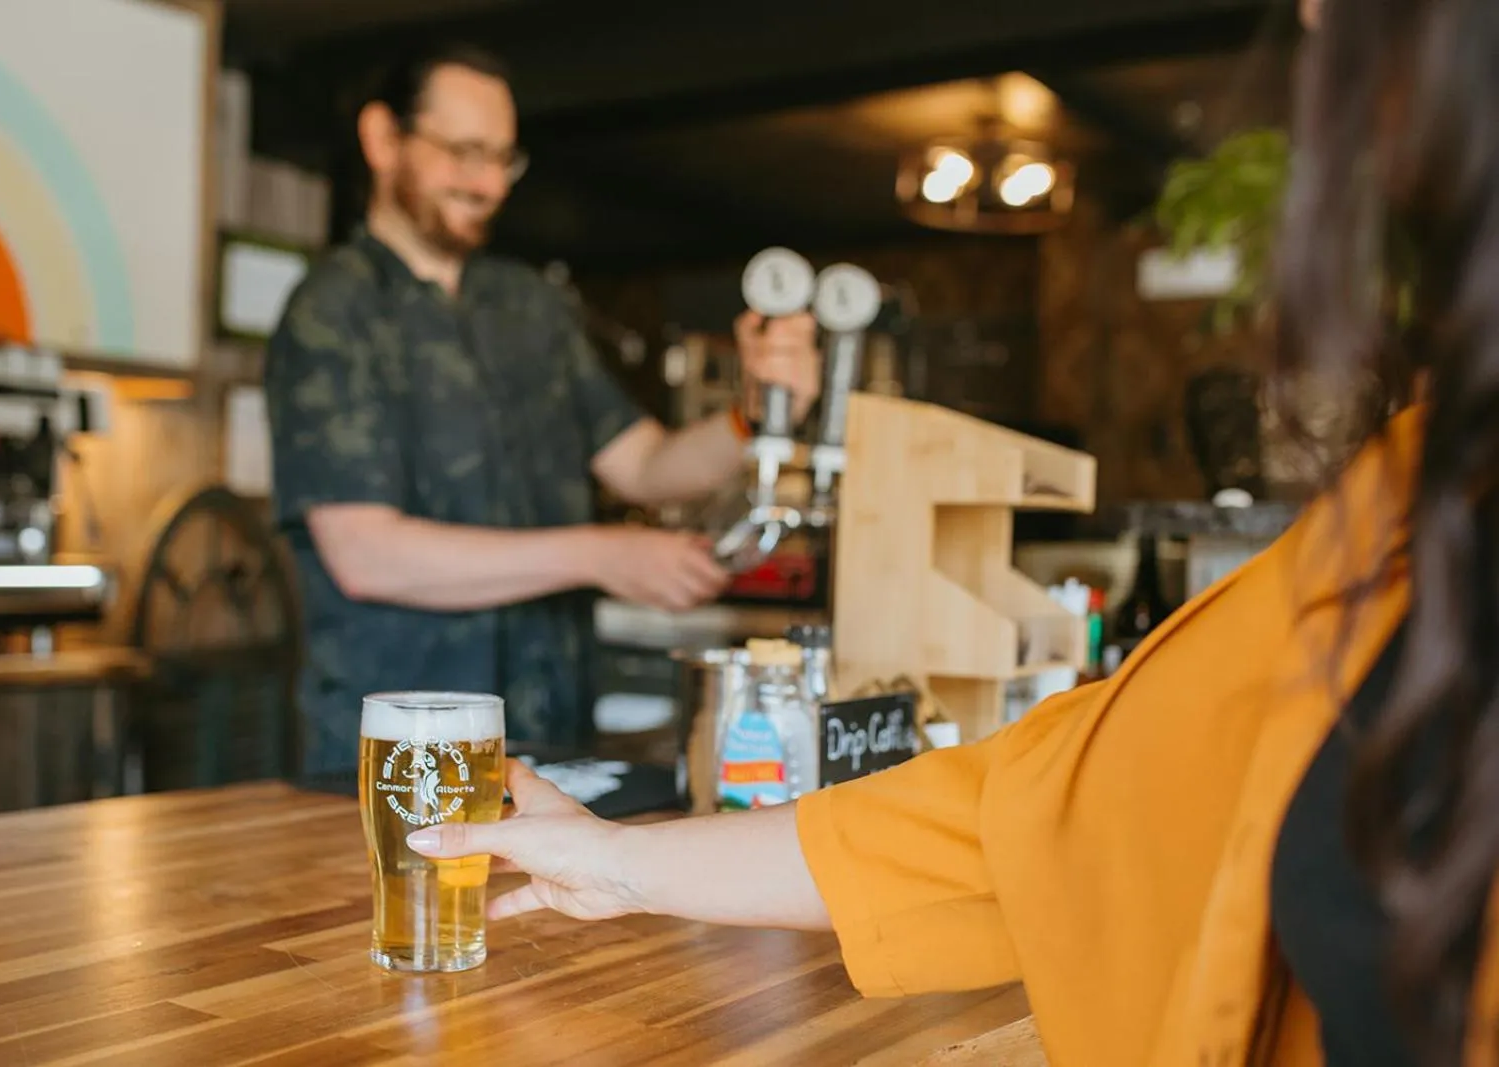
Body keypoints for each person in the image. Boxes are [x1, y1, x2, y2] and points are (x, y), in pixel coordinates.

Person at [402, 0, 1499, 1063]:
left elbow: (643, 463)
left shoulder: (527, 313)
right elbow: (1049, 801)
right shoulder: (1412, 492)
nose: (1311, 18)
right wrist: (620, 863)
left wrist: (743, 421)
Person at [264, 44, 822, 773]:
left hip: (551, 742)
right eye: (463, 152)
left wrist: (756, 410)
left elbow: (646, 465)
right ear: (382, 139)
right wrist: (599, 552)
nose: (488, 182)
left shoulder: (531, 307)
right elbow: (367, 554)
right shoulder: (332, 311)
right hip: (398, 757)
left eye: (502, 158)